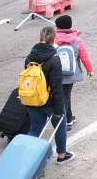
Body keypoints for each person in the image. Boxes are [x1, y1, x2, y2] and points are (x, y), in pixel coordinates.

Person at [24, 26, 73, 164]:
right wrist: (58, 110)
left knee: (35, 129)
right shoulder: (54, 59)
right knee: (60, 126)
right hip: (50, 101)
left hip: (33, 98)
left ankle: (28, 156)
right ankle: (62, 155)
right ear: (54, 38)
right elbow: (56, 87)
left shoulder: (30, 57)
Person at [55, 15, 93, 131]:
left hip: (56, 73)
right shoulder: (77, 40)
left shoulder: (54, 39)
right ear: (70, 26)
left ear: (58, 27)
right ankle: (65, 122)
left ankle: (68, 117)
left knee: (64, 96)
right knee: (65, 96)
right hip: (71, 75)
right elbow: (84, 57)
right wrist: (89, 70)